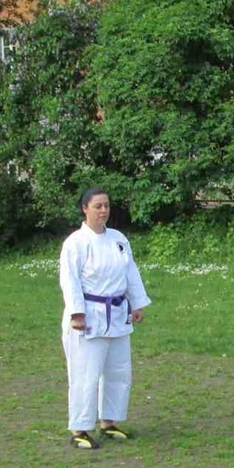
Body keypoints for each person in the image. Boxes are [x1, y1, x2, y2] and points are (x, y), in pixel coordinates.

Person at [59, 187, 151, 449]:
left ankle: (108, 422)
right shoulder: (76, 243)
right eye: (97, 206)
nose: (103, 211)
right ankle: (79, 429)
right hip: (89, 316)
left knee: (118, 372)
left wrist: (137, 302)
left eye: (106, 206)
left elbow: (130, 272)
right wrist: (77, 313)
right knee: (85, 374)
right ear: (84, 209)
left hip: (118, 314)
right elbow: (70, 280)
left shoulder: (118, 239)